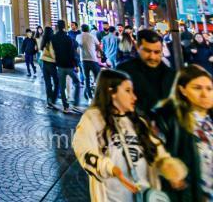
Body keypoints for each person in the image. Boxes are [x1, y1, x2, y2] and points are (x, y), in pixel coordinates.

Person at [73, 69, 187, 202]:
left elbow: (157, 151)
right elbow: (82, 148)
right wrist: (111, 169)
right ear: (112, 92)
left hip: (145, 196)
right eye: (128, 91)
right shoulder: (92, 118)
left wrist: (171, 170)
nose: (134, 97)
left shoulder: (139, 121)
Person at [153, 64, 213, 201]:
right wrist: (171, 171)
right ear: (183, 90)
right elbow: (156, 152)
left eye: (209, 89)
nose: (205, 94)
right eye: (197, 88)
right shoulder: (168, 118)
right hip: (192, 194)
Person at [118, 29, 176, 116]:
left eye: (157, 52)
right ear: (138, 48)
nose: (152, 56)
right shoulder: (124, 71)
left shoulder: (170, 75)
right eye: (147, 51)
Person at [52, 20, 82, 113]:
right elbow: (72, 53)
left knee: (62, 86)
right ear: (64, 27)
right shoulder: (68, 38)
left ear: (57, 27)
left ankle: (65, 107)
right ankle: (75, 104)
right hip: (69, 65)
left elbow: (54, 51)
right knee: (77, 83)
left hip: (60, 65)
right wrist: (76, 65)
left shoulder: (54, 38)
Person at [79, 24, 102, 100]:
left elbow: (77, 47)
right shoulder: (92, 36)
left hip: (83, 60)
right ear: (88, 29)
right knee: (98, 76)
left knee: (87, 78)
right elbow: (99, 46)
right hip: (93, 59)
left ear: (81, 29)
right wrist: (99, 52)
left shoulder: (78, 36)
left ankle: (89, 97)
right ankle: (99, 94)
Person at [41, 26, 60, 110]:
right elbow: (52, 53)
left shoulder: (44, 40)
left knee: (48, 83)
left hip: (44, 63)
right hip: (51, 64)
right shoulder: (51, 41)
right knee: (57, 82)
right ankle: (53, 99)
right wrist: (57, 60)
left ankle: (49, 100)